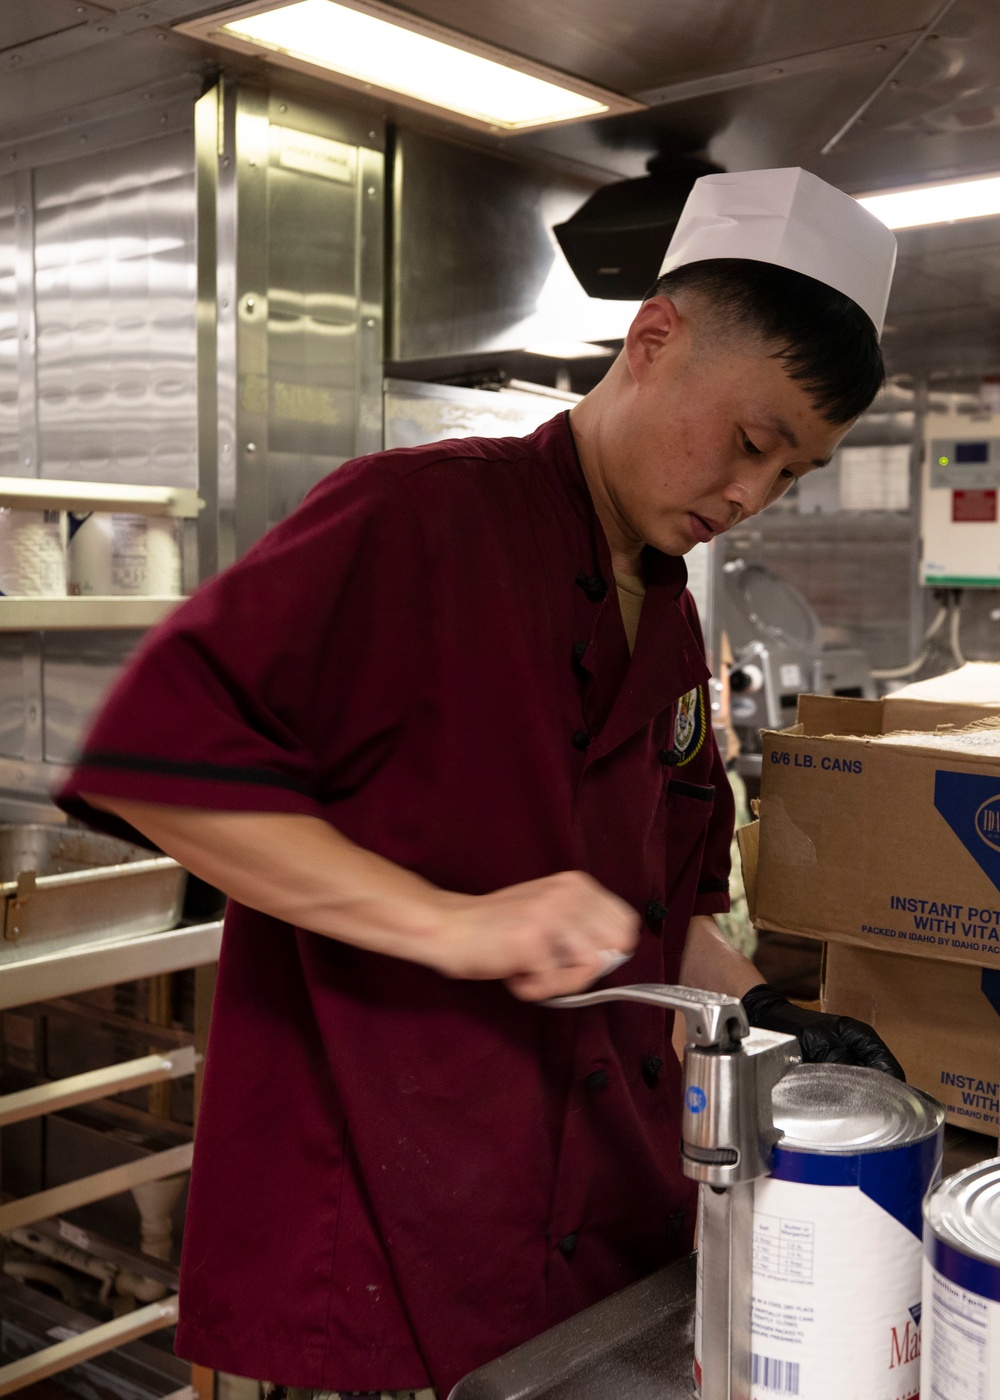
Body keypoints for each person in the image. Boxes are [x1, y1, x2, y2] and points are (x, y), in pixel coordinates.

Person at [57, 168, 904, 1400]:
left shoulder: (665, 613)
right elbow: (155, 759)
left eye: (787, 476)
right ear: (653, 340)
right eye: (752, 441)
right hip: (386, 1233)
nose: (747, 497)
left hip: (595, 1226)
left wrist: (770, 1008)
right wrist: (453, 922)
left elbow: (658, 905)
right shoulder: (413, 521)